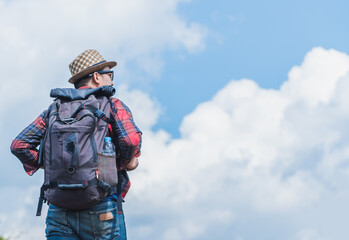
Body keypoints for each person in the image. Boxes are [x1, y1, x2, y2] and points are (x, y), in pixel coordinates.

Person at [10, 49, 142, 240]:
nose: (112, 81)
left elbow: (19, 145)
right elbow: (130, 140)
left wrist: (48, 163)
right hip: (102, 207)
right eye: (109, 75)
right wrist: (125, 162)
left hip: (59, 210)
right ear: (97, 77)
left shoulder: (54, 109)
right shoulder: (112, 105)